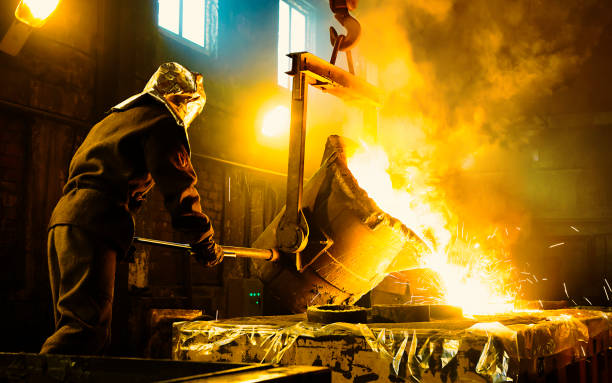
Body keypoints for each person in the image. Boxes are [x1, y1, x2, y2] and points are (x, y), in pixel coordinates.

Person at [40, 62, 223, 355]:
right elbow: (180, 189)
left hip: (65, 220)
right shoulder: (162, 121)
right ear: (180, 99)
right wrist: (205, 242)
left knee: (75, 326)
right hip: (93, 222)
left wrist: (122, 231)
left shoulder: (114, 120)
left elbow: (115, 178)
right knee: (83, 333)